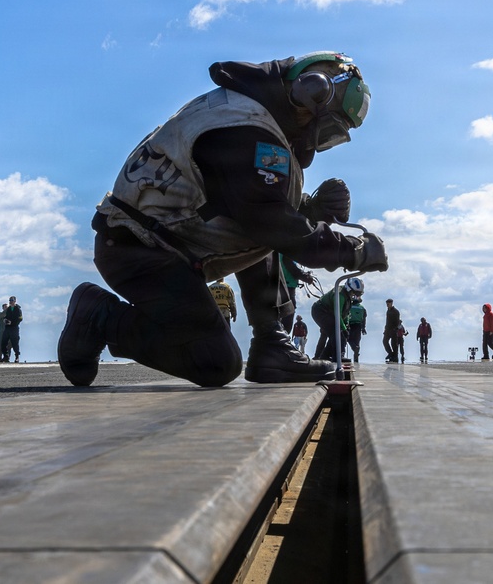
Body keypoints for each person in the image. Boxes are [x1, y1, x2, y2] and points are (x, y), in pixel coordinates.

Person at [57, 51, 385, 387]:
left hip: (162, 245)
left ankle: (272, 344)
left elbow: (241, 199)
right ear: (310, 90)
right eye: (324, 128)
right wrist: (353, 250)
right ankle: (100, 317)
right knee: (216, 362)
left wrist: (310, 210)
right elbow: (265, 216)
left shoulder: (248, 117)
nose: (316, 142)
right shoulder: (242, 128)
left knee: (265, 232)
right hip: (141, 251)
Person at [311, 278, 364, 362]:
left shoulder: (348, 296)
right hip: (320, 311)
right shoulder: (340, 295)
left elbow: (345, 313)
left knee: (339, 333)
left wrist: (346, 326)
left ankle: (325, 355)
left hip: (330, 314)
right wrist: (343, 328)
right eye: (354, 292)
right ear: (349, 288)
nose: (354, 295)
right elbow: (337, 314)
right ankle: (337, 356)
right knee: (336, 332)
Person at [279, 254, 313, 332]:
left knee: (283, 317)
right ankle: (284, 337)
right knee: (288, 315)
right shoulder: (286, 252)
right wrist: (307, 278)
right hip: (287, 288)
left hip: (282, 287)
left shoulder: (278, 253)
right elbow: (294, 270)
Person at [1, 296, 22, 363]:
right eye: (10, 301)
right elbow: (6, 316)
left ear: (15, 301)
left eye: (12, 300)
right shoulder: (9, 309)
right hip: (7, 328)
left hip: (14, 328)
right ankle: (6, 357)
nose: (11, 302)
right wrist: (5, 320)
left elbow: (20, 319)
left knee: (15, 343)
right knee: (3, 343)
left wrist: (12, 322)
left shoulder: (18, 309)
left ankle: (17, 357)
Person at [383, 299, 400, 363]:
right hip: (387, 329)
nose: (387, 305)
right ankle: (390, 353)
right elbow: (387, 321)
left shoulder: (395, 311)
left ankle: (395, 357)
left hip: (393, 329)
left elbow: (397, 321)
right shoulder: (388, 311)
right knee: (385, 341)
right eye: (387, 303)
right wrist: (385, 329)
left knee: (394, 344)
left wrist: (395, 329)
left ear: (391, 303)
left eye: (388, 303)